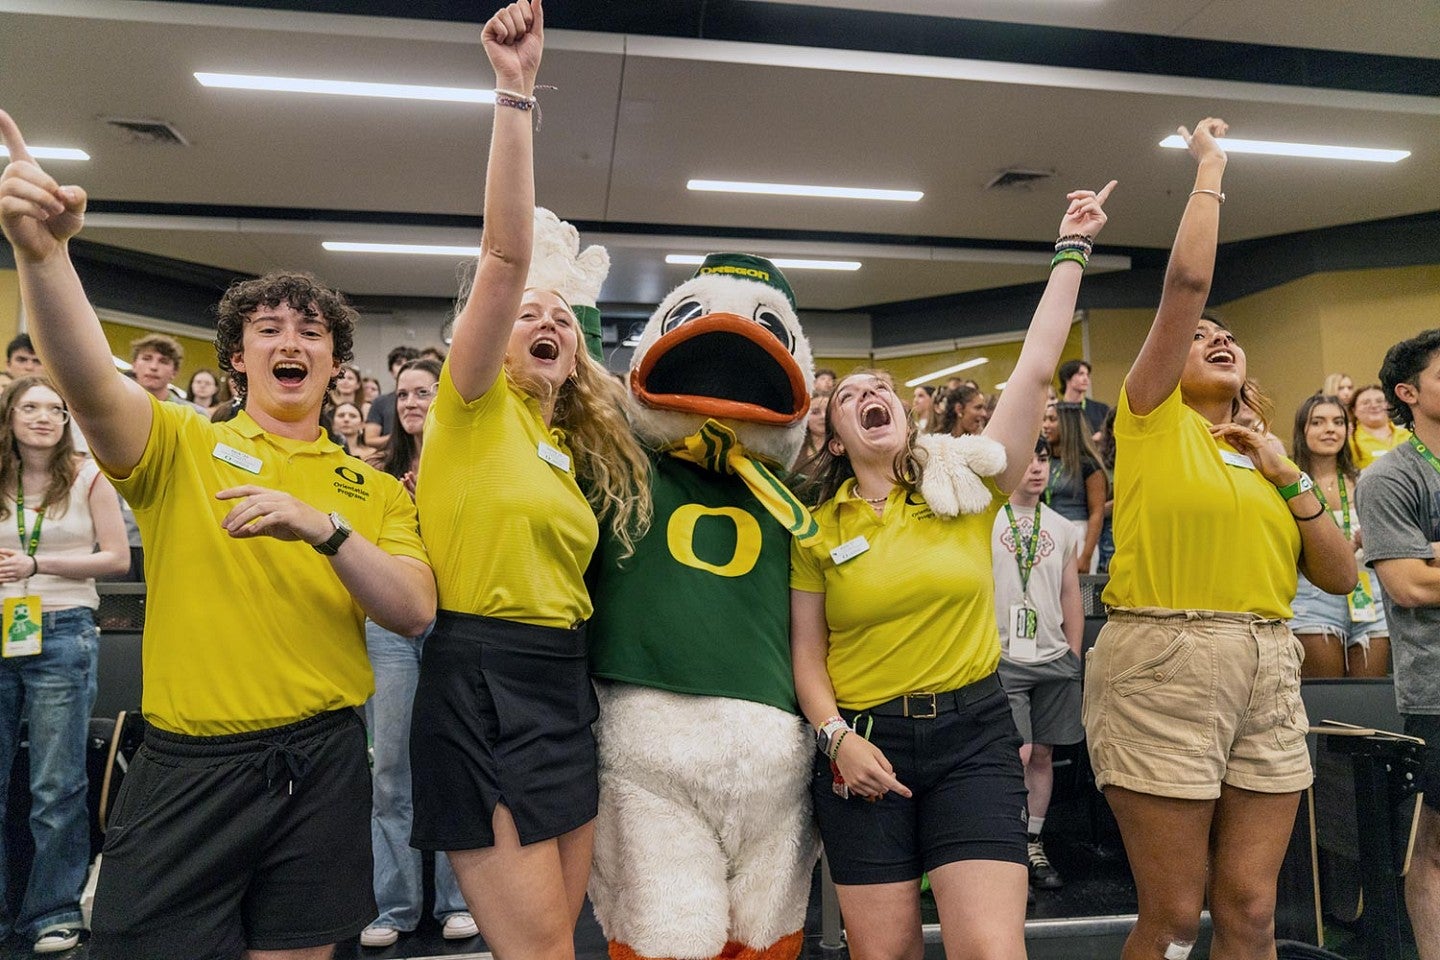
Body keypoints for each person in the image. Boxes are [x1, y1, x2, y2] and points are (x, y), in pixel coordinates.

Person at [0, 109, 437, 960]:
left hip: (324, 759)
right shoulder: (182, 441)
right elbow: (89, 385)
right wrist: (43, 255)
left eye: (309, 331)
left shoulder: (372, 489)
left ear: (334, 365)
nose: (290, 341)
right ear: (236, 357)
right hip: (189, 766)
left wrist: (326, 529)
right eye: (268, 329)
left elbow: (415, 610)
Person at [790, 178, 1115, 960]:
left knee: (992, 951)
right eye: (852, 396)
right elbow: (806, 655)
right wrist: (836, 741)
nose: (872, 392)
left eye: (883, 389)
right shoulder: (814, 526)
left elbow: (1037, 370)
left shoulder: (963, 493)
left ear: (905, 420)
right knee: (886, 952)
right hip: (864, 744)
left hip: (972, 736)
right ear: (836, 438)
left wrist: (1072, 249)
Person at [406, 4, 650, 958]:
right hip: (480, 679)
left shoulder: (570, 446)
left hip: (562, 681)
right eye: (522, 313)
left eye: (561, 314)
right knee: (541, 949)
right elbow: (504, 256)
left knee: (567, 940)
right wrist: (516, 91)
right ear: (489, 330)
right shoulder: (472, 406)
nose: (542, 317)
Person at [1082, 118, 1356, 960]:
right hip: (1167, 654)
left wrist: (1288, 474)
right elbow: (1188, 284)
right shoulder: (1152, 419)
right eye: (1204, 338)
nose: (1217, 338)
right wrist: (1212, 166)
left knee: (1251, 911)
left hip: (1268, 664)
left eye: (1228, 338)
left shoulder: (1267, 460)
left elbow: (1342, 577)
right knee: (1172, 914)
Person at [0, 376, 128, 954]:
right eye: (30, 407)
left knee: (56, 783)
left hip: (64, 628)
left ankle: (52, 912)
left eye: (55, 408)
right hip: (3, 627)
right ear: (10, 416)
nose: (44, 417)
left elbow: (117, 557)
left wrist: (36, 563)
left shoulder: (88, 475)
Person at [355, 358, 476, 948]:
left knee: (452, 763)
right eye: (402, 393)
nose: (410, 401)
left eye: (423, 392)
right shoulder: (375, 473)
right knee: (390, 770)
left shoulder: (471, 466)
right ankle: (395, 906)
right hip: (391, 630)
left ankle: (459, 902)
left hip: (454, 623)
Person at [1356, 328, 1440, 960]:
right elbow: (1410, 584)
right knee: (1434, 848)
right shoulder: (1390, 479)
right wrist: (1425, 564)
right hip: (1436, 690)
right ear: (1407, 395)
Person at [991, 437, 1084, 894]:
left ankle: (1032, 843)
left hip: (1052, 656)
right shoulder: (986, 520)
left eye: (1043, 459)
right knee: (1018, 753)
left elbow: (1071, 593)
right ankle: (1006, 848)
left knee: (1044, 754)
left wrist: (1074, 651)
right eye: (1027, 459)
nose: (1036, 468)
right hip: (1003, 657)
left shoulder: (1063, 528)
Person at [1289, 393, 1390, 678]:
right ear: (1302, 430)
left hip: (1369, 594)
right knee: (1329, 704)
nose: (1330, 429)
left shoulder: (1368, 480)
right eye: (1318, 422)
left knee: (1370, 702)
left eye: (1338, 422)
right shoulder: (1289, 481)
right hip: (1311, 595)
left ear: (1348, 429)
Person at [1044, 401, 1105, 573]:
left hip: (1078, 536)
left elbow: (1097, 513)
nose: (1045, 425)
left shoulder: (1088, 465)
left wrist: (1085, 556)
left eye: (1052, 420)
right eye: (1044, 419)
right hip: (1049, 534)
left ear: (1067, 424)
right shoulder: (1045, 461)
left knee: (1078, 598)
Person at [364, 345, 421, 450]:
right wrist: (400, 437)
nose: (404, 366)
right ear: (391, 371)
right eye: (399, 363)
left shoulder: (429, 398)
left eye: (409, 362)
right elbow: (370, 439)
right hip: (392, 458)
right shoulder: (380, 402)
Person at [130, 333, 201, 411]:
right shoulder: (117, 407)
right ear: (134, 365)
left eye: (163, 361)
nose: (154, 367)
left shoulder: (194, 414)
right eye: (146, 359)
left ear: (174, 372)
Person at [1351, 383, 1412, 470]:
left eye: (1379, 401)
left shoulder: (1409, 436)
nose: (1374, 406)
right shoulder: (1350, 441)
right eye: (1365, 403)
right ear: (1354, 410)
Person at [1058, 359, 1110, 438]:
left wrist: (1103, 436)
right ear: (1067, 377)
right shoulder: (1055, 411)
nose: (1086, 379)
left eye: (1087, 375)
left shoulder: (1102, 409)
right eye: (1080, 374)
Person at [793, 393, 828, 474]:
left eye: (828, 411)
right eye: (815, 412)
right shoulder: (795, 449)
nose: (823, 416)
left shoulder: (848, 447)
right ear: (805, 418)